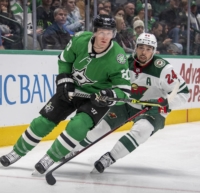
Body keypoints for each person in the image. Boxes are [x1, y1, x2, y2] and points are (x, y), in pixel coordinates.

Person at [0, 14, 131, 175]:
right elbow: (64, 60)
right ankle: (16, 152)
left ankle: (50, 157)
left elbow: (123, 92)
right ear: (95, 31)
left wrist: (108, 94)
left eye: (109, 33)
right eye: (102, 32)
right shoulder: (79, 40)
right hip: (72, 89)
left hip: (96, 99)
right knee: (43, 122)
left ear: (114, 34)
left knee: (78, 126)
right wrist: (64, 78)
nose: (105, 37)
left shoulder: (118, 57)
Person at [66, 32, 190, 173]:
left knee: (142, 130)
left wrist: (165, 103)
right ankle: (73, 150)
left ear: (154, 51)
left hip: (153, 109)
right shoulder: (124, 63)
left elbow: (183, 93)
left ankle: (110, 157)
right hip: (126, 104)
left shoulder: (163, 69)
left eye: (149, 49)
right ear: (135, 47)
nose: (144, 52)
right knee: (100, 127)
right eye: (141, 47)